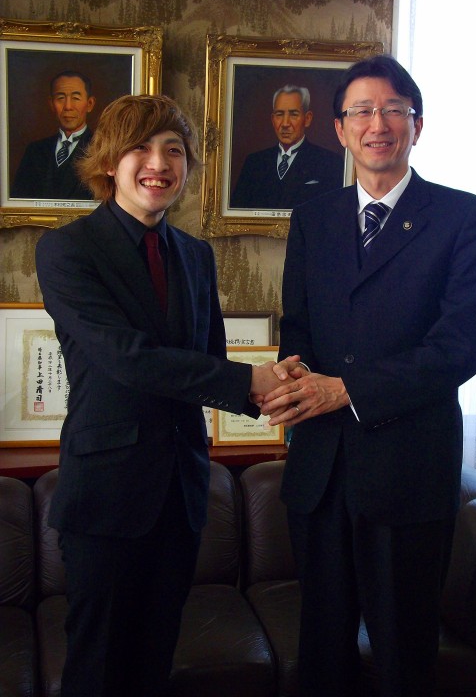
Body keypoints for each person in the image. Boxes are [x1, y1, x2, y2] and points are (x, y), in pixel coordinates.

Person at [35, 94, 297, 697]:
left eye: (173, 150)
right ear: (109, 162)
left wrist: (283, 391)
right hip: (106, 497)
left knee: (155, 662)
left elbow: (209, 362)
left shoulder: (195, 255)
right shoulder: (66, 250)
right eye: (141, 148)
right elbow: (126, 359)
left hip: (181, 493)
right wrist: (248, 380)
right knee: (98, 669)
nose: (159, 163)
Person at [261, 55, 476, 696]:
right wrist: (292, 372)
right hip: (320, 471)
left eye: (394, 109)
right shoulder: (313, 218)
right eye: (362, 111)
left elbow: (458, 349)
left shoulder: (466, 218)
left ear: (417, 125)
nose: (378, 124)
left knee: (403, 652)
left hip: (408, 471)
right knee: (323, 649)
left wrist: (346, 390)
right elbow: (299, 327)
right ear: (339, 129)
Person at [229, 84, 345, 209]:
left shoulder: (330, 163)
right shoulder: (254, 163)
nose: (285, 123)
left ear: (307, 119)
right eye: (279, 114)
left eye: (293, 114)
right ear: (273, 119)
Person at [11, 70, 96, 200]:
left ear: (89, 104)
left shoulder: (101, 149)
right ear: (51, 104)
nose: (68, 106)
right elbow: (18, 199)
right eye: (61, 98)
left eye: (76, 98)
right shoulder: (34, 150)